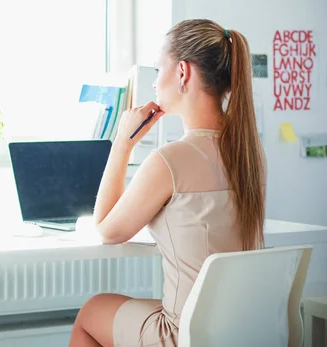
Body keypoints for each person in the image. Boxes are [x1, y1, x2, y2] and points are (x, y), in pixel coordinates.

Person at [68, 19, 266, 347]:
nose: (154, 82)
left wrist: (122, 143)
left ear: (183, 73)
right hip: (242, 331)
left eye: (159, 69)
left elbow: (106, 231)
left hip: (184, 334)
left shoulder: (169, 160)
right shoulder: (251, 155)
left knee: (91, 312)